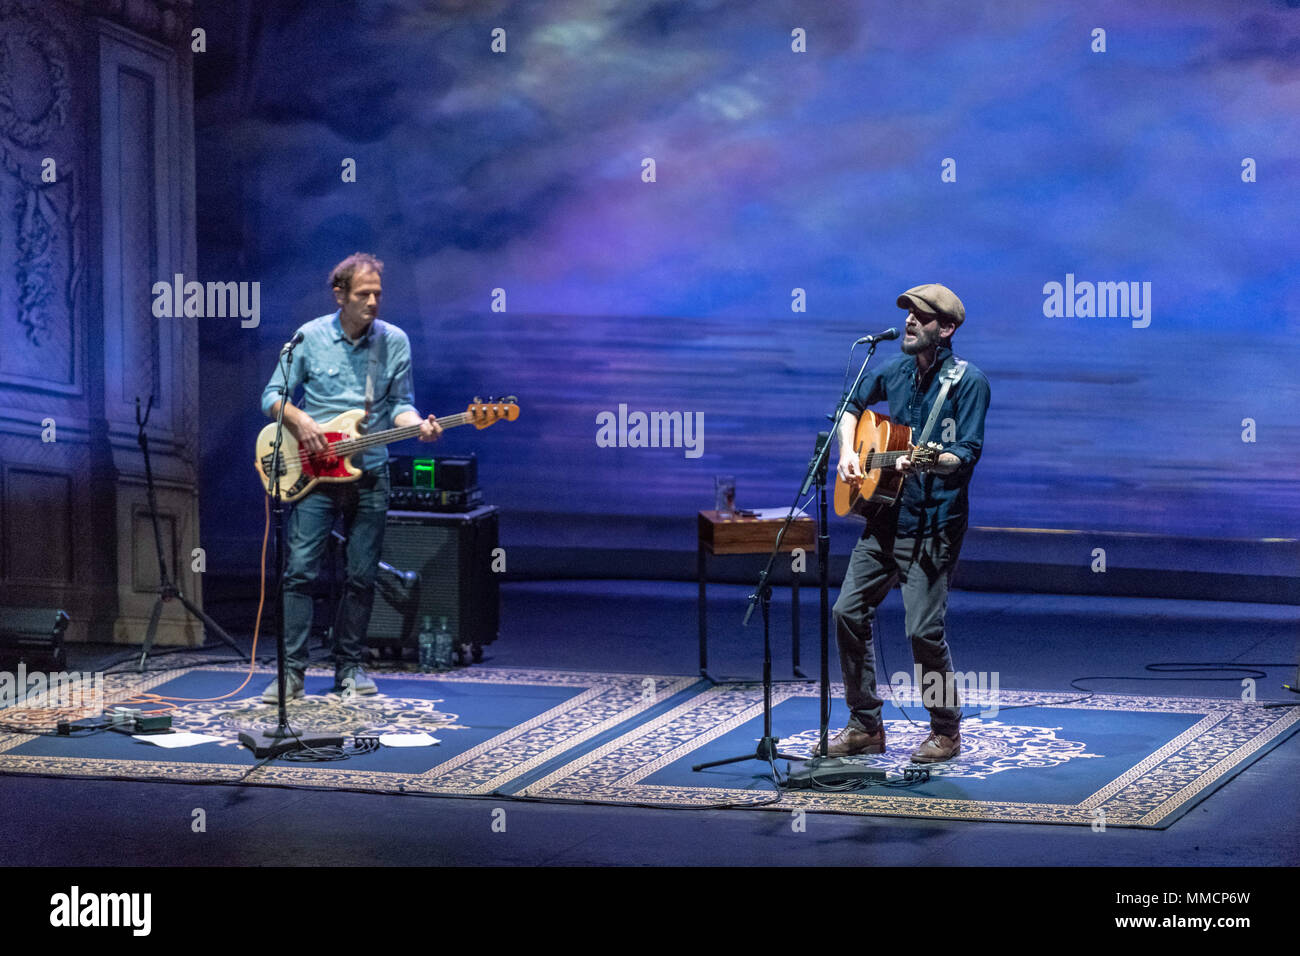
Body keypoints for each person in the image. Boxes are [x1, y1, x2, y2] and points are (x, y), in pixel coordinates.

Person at [817, 283, 990, 763]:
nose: (910, 321)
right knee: (846, 612)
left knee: (922, 632)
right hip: (884, 519)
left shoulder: (968, 382)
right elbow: (849, 408)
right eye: (908, 313)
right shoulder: (893, 371)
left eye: (922, 315)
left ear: (946, 328)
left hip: (934, 525)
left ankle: (945, 729)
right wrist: (849, 454)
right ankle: (865, 724)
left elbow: (966, 454)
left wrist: (935, 461)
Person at [259, 253, 441, 703]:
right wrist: (301, 421)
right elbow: (272, 396)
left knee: (361, 576)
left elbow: (401, 403)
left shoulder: (394, 341)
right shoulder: (309, 336)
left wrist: (417, 424)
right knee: (300, 573)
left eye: (378, 293)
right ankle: (291, 673)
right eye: (364, 294)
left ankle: (350, 669)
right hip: (314, 474)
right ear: (340, 294)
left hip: (370, 470)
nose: (374, 302)